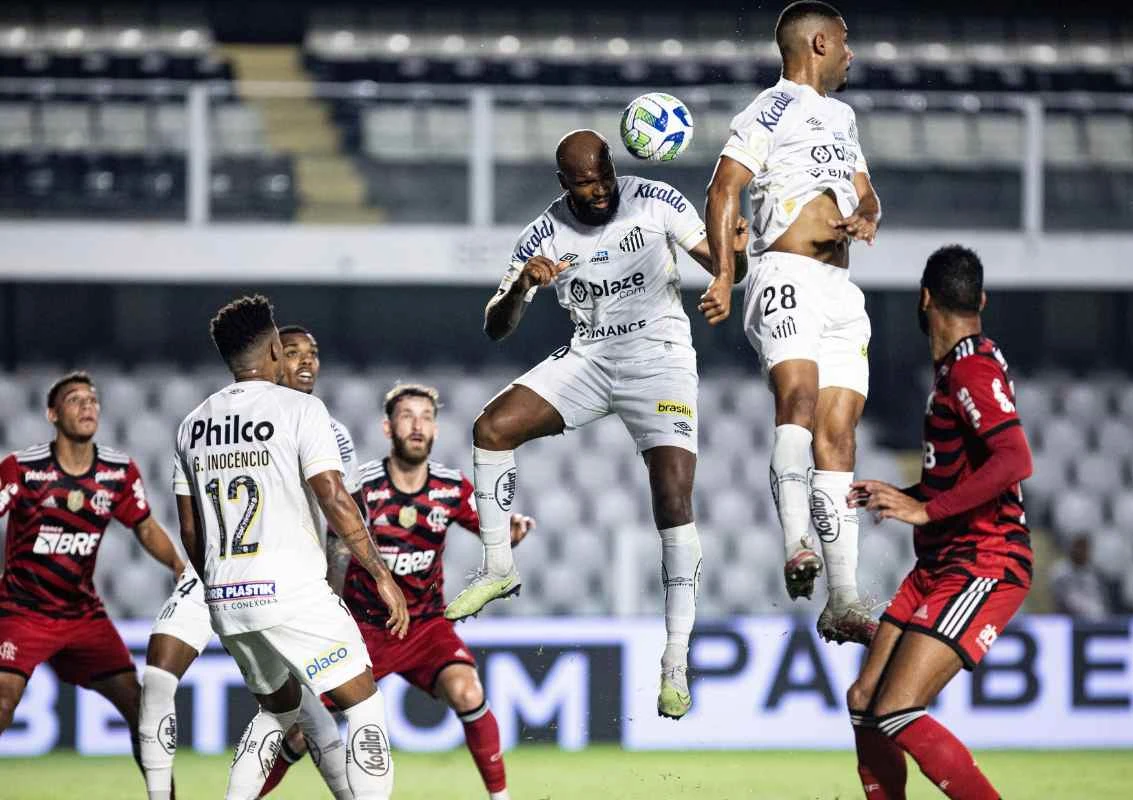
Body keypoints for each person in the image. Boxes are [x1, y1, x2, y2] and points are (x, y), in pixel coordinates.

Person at [445, 128, 748, 719]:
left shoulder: (655, 200)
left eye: (604, 176)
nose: (600, 190)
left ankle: (675, 662)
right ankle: (498, 567)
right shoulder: (542, 234)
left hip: (659, 358)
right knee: (491, 428)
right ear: (564, 183)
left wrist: (730, 262)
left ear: (612, 166)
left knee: (673, 500)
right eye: (585, 184)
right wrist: (523, 286)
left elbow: (721, 265)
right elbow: (495, 327)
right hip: (591, 356)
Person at [173, 295, 408, 800]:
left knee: (276, 712)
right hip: (291, 590)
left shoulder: (192, 424)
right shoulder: (301, 409)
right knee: (364, 706)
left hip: (227, 598)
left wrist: (219, 585)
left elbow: (190, 529)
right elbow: (334, 497)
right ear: (274, 349)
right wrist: (381, 574)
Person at [704, 0, 881, 645]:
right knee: (799, 401)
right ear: (818, 43)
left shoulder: (843, 117)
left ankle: (843, 600)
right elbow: (723, 188)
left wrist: (867, 215)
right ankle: (796, 542)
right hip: (786, 274)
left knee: (840, 437)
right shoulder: (770, 108)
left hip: (840, 289)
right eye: (844, 41)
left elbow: (866, 190)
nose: (851, 53)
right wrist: (724, 273)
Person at [263, 383, 532, 800]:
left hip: (426, 627)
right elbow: (331, 549)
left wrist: (508, 531)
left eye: (426, 417)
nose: (417, 425)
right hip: (364, 631)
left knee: (468, 691)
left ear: (436, 429)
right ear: (388, 428)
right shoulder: (362, 487)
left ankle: (502, 798)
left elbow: (489, 528)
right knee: (300, 732)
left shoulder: (450, 486)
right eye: (407, 416)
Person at [139, 324, 362, 799]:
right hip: (212, 568)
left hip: (284, 577)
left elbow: (345, 519)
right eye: (293, 351)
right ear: (274, 358)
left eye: (313, 352)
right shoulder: (216, 416)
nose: (305, 361)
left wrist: (331, 596)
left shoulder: (330, 430)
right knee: (157, 674)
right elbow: (190, 513)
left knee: (305, 711)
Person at [845, 246, 1034, 800]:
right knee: (865, 701)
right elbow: (963, 476)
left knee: (898, 709)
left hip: (984, 561)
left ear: (925, 299)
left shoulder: (970, 370)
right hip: (941, 563)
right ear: (982, 301)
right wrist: (903, 496)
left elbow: (1014, 459)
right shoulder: (961, 367)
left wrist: (926, 510)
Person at [0, 371, 184, 788]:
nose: (87, 406)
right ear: (52, 414)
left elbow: (144, 526)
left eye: (93, 400)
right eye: (75, 400)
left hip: (83, 617)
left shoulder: (118, 472)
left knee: (141, 711)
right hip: (22, 612)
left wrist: (177, 564)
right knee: (3, 703)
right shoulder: (22, 469)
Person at [1050, 535, 1109, 620]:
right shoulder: (1060, 572)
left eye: (1085, 549)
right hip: (1070, 619)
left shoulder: (1094, 572)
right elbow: (1065, 601)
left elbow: (1101, 599)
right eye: (1078, 548)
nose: (1082, 552)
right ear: (1071, 548)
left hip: (1096, 618)